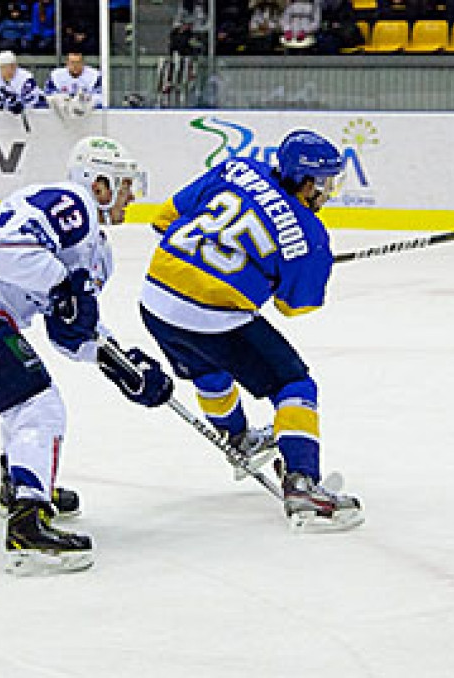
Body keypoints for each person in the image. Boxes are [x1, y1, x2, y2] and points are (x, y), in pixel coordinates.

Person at [142, 129, 363, 531]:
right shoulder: (309, 235)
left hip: (155, 299)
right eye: (326, 182)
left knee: (209, 369)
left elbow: (164, 220)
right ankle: (303, 485)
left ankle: (239, 438)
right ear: (307, 182)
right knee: (294, 385)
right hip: (211, 316)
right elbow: (295, 306)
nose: (329, 191)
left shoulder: (236, 168)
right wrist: (298, 267)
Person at [0, 136, 173, 576]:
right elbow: (7, 252)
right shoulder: (73, 204)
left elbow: (70, 330)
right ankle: (26, 527)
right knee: (37, 404)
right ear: (99, 184)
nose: (131, 196)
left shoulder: (97, 252)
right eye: (124, 186)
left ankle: (21, 488)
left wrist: (123, 365)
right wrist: (64, 287)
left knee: (23, 399)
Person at [44, 52, 103, 120]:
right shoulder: (56, 75)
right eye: (72, 62)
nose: (75, 65)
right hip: (62, 115)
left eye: (78, 62)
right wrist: (62, 98)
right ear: (67, 63)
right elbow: (48, 94)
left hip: (88, 116)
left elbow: (101, 96)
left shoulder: (94, 75)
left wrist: (87, 99)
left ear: (83, 63)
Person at [0, 50, 43, 116]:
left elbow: (31, 101)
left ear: (15, 66)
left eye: (11, 66)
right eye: (2, 67)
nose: (6, 70)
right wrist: (7, 105)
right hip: (10, 110)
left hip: (37, 107)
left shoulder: (26, 77)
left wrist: (18, 104)